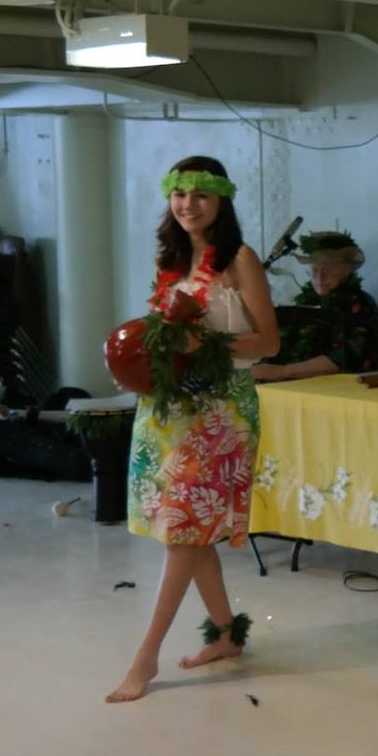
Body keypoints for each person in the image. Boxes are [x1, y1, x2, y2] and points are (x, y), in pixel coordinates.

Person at [108, 157, 280, 704]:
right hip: (169, 408)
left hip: (220, 414)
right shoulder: (169, 260)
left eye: (201, 194)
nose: (189, 204)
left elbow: (269, 343)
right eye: (179, 193)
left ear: (222, 201)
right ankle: (226, 634)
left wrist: (206, 346)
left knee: (184, 531)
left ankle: (147, 655)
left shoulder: (239, 260)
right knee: (190, 531)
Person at [251, 230, 378, 381]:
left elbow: (346, 358)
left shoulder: (361, 303)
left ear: (346, 270)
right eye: (315, 270)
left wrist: (283, 371)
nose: (320, 277)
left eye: (328, 270)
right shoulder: (307, 302)